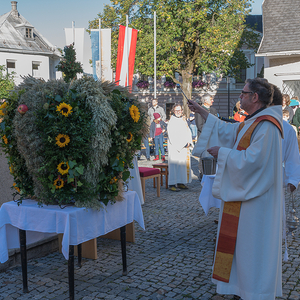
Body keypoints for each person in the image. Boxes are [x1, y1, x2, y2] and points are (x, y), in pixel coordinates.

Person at [189, 78, 283, 300]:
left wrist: (222, 153)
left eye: (243, 92)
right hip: (245, 201)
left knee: (252, 249)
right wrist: (202, 110)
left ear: (255, 97)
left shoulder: (267, 126)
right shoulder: (254, 122)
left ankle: (255, 292)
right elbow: (229, 131)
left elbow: (254, 161)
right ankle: (242, 288)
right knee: (242, 249)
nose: (240, 96)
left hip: (256, 205)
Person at [167, 103, 193, 192]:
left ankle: (181, 182)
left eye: (180, 110)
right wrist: (183, 144)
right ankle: (172, 184)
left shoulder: (182, 120)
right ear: (173, 111)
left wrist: (189, 142)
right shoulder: (172, 121)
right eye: (176, 110)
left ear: (182, 111)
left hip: (184, 148)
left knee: (182, 166)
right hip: (175, 148)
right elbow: (172, 136)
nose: (178, 112)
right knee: (175, 166)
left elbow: (188, 131)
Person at [195, 94, 218, 180]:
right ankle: (203, 173)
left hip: (213, 136)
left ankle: (213, 171)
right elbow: (199, 126)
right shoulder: (199, 111)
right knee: (203, 155)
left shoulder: (213, 110)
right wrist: (209, 131)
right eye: (211, 99)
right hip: (204, 137)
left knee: (213, 155)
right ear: (205, 101)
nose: (213, 101)